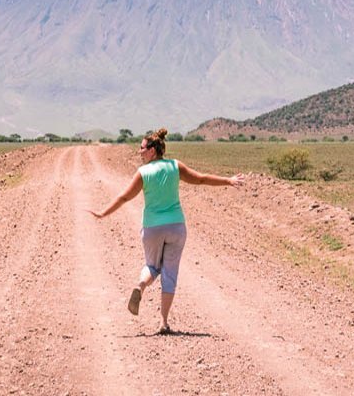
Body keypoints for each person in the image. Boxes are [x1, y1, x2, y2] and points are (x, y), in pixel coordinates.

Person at [89, 128, 244, 334]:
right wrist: (228, 180)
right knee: (170, 274)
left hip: (152, 227)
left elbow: (124, 197)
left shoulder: (143, 173)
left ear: (153, 150)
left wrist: (103, 213)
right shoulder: (175, 166)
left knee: (152, 267)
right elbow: (201, 179)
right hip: (176, 227)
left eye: (142, 148)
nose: (139, 152)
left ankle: (141, 286)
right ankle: (163, 322)